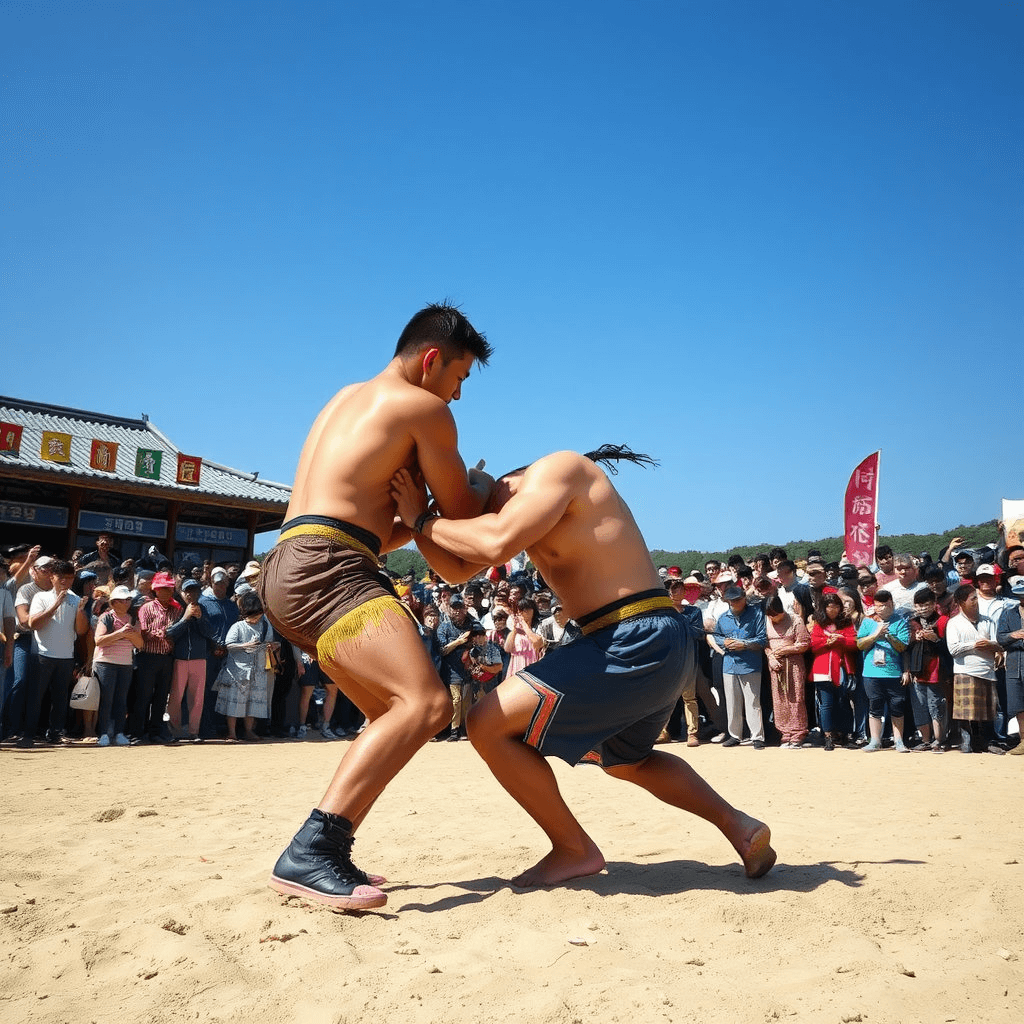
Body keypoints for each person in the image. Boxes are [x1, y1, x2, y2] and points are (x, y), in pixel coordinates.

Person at [391, 447, 776, 888]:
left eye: (473, 509)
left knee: (485, 723)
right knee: (628, 762)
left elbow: (492, 540)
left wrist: (423, 520)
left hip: (632, 633)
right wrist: (418, 522)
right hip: (644, 638)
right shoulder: (526, 518)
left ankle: (573, 848)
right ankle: (741, 829)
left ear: (501, 483)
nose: (471, 520)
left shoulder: (559, 468)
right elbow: (456, 569)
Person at [260, 303, 493, 911]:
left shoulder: (347, 397)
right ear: (433, 359)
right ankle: (312, 851)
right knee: (427, 703)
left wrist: (415, 519)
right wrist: (479, 487)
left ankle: (330, 848)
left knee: (389, 711)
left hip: (289, 564)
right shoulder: (424, 408)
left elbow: (367, 525)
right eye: (460, 378)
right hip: (330, 570)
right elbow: (463, 516)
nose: (458, 396)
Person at [21, 559, 89, 746]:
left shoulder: (76, 599)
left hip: (66, 657)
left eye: (70, 578)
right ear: (52, 577)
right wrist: (55, 605)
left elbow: (81, 630)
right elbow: (34, 624)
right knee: (36, 697)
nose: (66, 582)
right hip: (42, 655)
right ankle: (28, 734)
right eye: (62, 578)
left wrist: (81, 611)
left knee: (60, 699)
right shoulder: (41, 598)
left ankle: (56, 733)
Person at [945, 584, 1003, 754]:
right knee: (965, 712)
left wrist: (991, 645)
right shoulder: (954, 623)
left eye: (976, 597)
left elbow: (998, 644)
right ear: (961, 602)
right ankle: (966, 741)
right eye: (973, 598)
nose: (976, 601)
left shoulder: (988, 620)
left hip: (987, 670)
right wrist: (976, 645)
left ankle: (985, 743)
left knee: (986, 712)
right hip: (965, 671)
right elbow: (953, 649)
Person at [214, 591, 278, 742]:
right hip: (238, 673)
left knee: (252, 703)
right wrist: (246, 645)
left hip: (259, 670)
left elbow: (269, 642)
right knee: (234, 703)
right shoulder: (238, 626)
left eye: (258, 615)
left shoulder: (265, 625)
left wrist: (272, 646)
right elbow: (229, 645)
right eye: (253, 615)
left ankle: (249, 731)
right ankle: (232, 733)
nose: (256, 618)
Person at [856, 590, 910, 752]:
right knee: (875, 706)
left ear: (892, 604)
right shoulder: (867, 622)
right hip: (871, 672)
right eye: (879, 606)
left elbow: (903, 647)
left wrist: (888, 636)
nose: (882, 609)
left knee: (897, 706)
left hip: (893, 672)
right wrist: (875, 634)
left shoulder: (900, 622)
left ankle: (899, 741)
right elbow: (859, 644)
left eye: (886, 605)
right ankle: (875, 741)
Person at [93, 585, 143, 745]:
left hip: (125, 664)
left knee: (121, 700)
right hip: (105, 663)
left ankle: (119, 732)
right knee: (106, 699)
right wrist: (120, 634)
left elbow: (140, 644)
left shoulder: (133, 619)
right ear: (113, 603)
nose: (126, 603)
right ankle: (103, 734)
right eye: (122, 600)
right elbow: (99, 640)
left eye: (128, 599)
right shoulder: (106, 617)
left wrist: (131, 634)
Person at [808, 594, 858, 751]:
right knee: (827, 704)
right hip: (822, 669)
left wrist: (840, 639)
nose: (834, 610)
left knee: (844, 703)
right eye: (830, 606)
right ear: (824, 607)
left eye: (836, 606)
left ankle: (846, 735)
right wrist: (827, 642)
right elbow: (813, 645)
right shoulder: (818, 623)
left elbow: (854, 642)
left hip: (842, 668)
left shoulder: (846, 622)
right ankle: (828, 736)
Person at [764, 594, 810, 748]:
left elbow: (804, 643)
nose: (773, 619)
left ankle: (798, 732)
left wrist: (784, 650)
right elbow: (764, 643)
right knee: (779, 699)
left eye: (775, 615)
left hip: (793, 663)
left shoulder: (795, 619)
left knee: (795, 698)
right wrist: (771, 657)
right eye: (770, 616)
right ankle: (785, 732)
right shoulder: (766, 621)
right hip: (775, 665)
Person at [995, 576, 1024, 754]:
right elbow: (1000, 638)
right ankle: (1023, 741)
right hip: (1014, 663)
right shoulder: (1008, 612)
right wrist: (1015, 635)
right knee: (1018, 705)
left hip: (1016, 659)